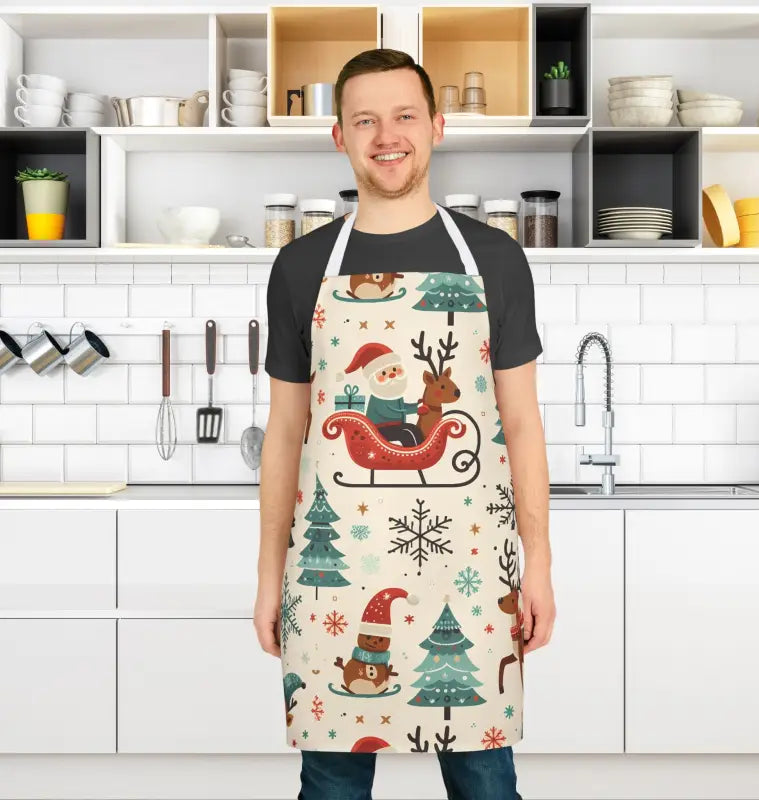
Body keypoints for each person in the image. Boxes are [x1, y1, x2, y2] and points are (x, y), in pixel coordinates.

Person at [255, 48, 555, 800]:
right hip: (336, 577)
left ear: (437, 127)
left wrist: (540, 564)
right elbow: (287, 434)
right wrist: (268, 579)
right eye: (365, 120)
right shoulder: (299, 267)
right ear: (340, 137)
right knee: (330, 782)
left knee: (486, 780)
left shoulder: (495, 259)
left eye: (404, 116)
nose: (386, 135)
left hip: (475, 571)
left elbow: (520, 423)